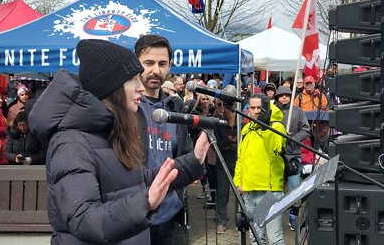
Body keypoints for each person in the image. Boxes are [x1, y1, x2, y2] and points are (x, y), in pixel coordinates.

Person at [28, 39, 210, 245]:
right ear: (112, 87)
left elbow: (138, 180)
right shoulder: (71, 142)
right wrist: (144, 203)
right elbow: (83, 219)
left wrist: (193, 161)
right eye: (133, 79)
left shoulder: (110, 131)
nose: (141, 87)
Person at [134, 35, 203, 245]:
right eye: (149, 63)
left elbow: (183, 153)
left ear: (170, 66)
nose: (156, 70)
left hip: (169, 217)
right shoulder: (127, 107)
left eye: (162, 63)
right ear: (137, 63)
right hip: (134, 216)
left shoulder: (175, 107)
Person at [234, 94, 286, 245]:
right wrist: (238, 182)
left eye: (260, 107)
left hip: (268, 192)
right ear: (248, 109)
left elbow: (274, 151)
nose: (256, 111)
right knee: (256, 237)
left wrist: (265, 127)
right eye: (253, 108)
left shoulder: (277, 126)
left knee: (274, 238)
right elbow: (241, 158)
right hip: (249, 190)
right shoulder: (246, 129)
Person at [274, 86, 311, 231]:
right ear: (277, 97)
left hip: (294, 155)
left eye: (287, 95)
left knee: (295, 189)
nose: (284, 97)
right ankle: (274, 218)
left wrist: (293, 138)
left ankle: (293, 218)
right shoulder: (272, 111)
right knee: (276, 190)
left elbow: (306, 129)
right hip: (277, 156)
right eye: (281, 95)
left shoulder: (298, 111)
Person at [214, 86, 238, 234]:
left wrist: (234, 122)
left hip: (238, 162)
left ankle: (239, 220)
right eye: (224, 104)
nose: (228, 108)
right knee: (222, 193)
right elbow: (216, 145)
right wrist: (229, 141)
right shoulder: (218, 122)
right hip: (222, 163)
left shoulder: (241, 121)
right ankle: (221, 221)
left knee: (239, 194)